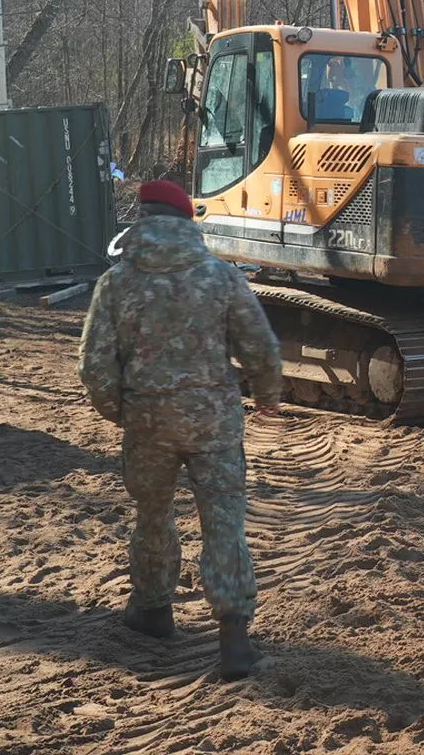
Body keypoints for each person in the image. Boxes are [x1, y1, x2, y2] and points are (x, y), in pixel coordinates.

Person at [77, 179, 282, 680]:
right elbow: (260, 346)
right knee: (225, 523)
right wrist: (268, 397)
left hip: (147, 423)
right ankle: (234, 639)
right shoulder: (221, 277)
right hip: (214, 423)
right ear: (189, 221)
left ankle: (152, 611)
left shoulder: (116, 282)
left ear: (142, 220)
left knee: (152, 514)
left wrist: (121, 412)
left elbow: (93, 365)